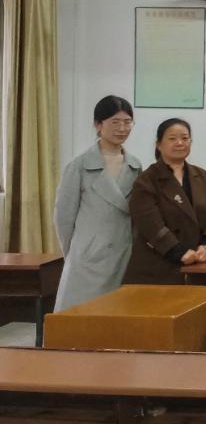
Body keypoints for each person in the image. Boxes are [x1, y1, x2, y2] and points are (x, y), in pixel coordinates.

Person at [53, 95, 143, 311]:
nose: (122, 128)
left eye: (127, 122)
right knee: (80, 317)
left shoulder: (135, 166)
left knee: (114, 317)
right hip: (87, 258)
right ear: (98, 124)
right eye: (115, 122)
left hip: (122, 253)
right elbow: (63, 217)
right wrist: (77, 251)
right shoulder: (79, 165)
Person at [124, 119, 206, 285]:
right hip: (158, 268)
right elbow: (149, 223)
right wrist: (177, 251)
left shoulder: (202, 176)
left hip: (199, 264)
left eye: (185, 138)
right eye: (172, 138)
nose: (180, 143)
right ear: (158, 144)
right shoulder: (147, 180)